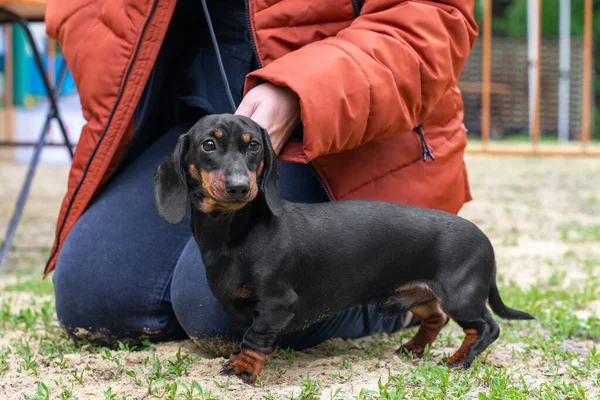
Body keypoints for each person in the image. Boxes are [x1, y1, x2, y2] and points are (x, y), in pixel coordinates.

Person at [45, 0, 478, 352]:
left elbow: (433, 17)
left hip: (340, 129)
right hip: (191, 118)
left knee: (230, 308)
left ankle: (395, 285)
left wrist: (299, 91)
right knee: (95, 297)